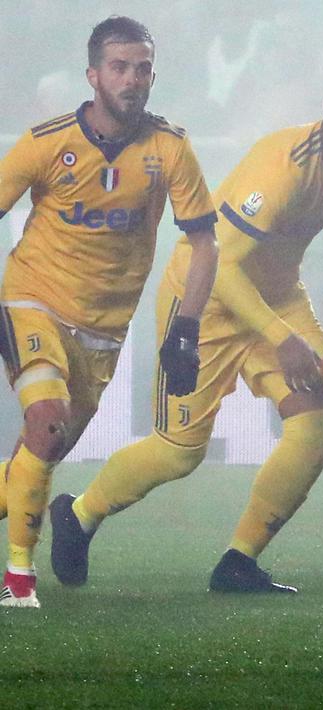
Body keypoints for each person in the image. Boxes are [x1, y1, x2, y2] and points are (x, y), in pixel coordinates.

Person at [48, 56, 323, 594]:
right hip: (204, 299)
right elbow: (223, 265)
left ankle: (238, 561)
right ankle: (80, 513)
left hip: (275, 296)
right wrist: (284, 339)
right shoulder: (285, 165)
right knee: (179, 451)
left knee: (321, 421)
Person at [0, 16, 218, 608]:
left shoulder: (169, 147)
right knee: (46, 420)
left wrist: (186, 331)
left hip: (103, 332)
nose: (132, 79)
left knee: (35, 458)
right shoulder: (46, 142)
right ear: (93, 74)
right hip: (33, 300)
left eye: (142, 68)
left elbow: (205, 242)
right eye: (119, 67)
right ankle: (18, 579)